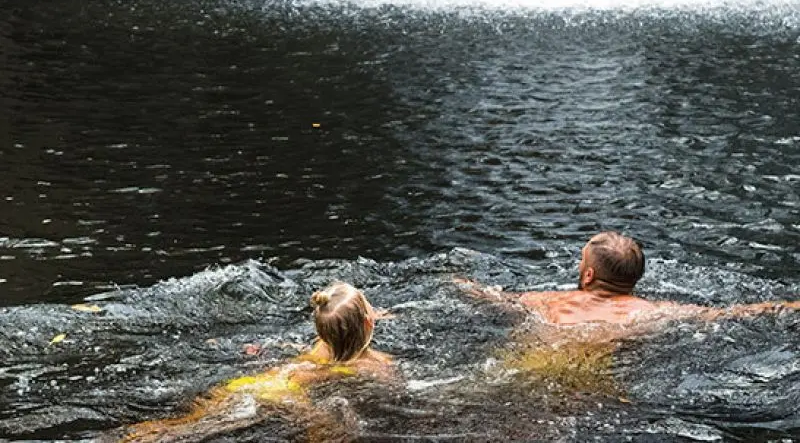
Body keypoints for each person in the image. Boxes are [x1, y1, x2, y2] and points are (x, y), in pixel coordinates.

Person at [117, 282, 394, 442]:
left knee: (190, 423)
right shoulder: (374, 365)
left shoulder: (322, 344)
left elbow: (345, 324)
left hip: (254, 382)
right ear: (369, 322)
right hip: (286, 394)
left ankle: (135, 435)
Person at [456, 231, 800, 325]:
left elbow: (491, 298)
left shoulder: (547, 301)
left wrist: (459, 283)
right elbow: (732, 314)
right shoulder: (649, 312)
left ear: (588, 274)